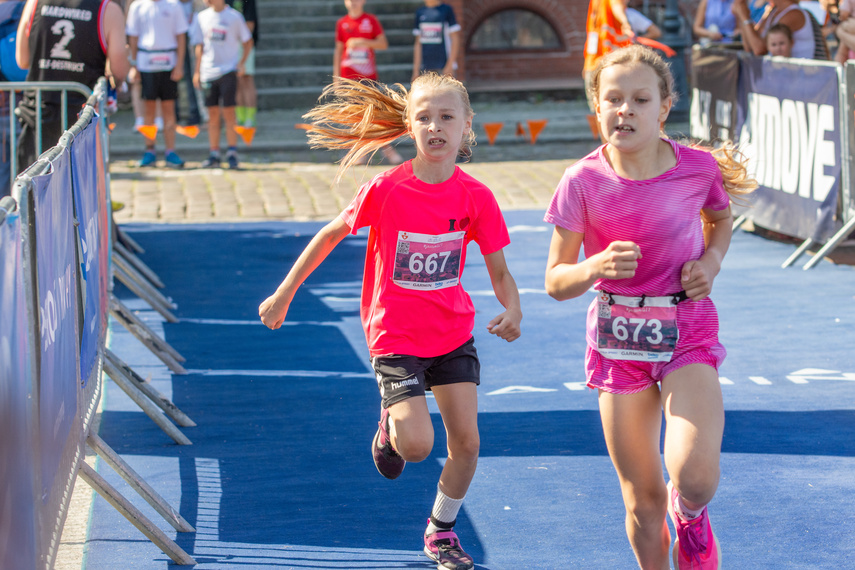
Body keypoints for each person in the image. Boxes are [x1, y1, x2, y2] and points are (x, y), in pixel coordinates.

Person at [258, 73, 522, 570]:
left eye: (447, 117)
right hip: (395, 336)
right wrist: (284, 293)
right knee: (418, 448)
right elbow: (330, 234)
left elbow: (500, 270)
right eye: (424, 117)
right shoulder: (387, 189)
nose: (435, 126)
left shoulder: (476, 198)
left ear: (467, 127)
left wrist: (513, 308)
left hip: (451, 334)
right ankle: (390, 422)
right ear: (408, 126)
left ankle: (440, 531)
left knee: (467, 443)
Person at [543, 45, 755, 569]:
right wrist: (594, 268)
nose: (626, 110)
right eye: (613, 99)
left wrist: (712, 262)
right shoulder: (581, 181)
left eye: (640, 99)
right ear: (597, 107)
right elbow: (555, 281)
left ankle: (691, 516)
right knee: (642, 501)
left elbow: (721, 220)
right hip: (618, 341)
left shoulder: (697, 169)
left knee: (695, 477)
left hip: (686, 326)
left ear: (664, 108)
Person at [15, 0, 128, 170]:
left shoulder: (34, 3)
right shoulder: (108, 10)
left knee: (33, 190)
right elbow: (119, 70)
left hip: (39, 114)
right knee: (77, 192)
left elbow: (22, 60)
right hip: (81, 121)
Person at [334, 0, 402, 164]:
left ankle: (387, 149)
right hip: (349, 77)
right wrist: (336, 78)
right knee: (357, 117)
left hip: (368, 76)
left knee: (374, 115)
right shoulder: (342, 23)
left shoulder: (370, 20)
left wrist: (362, 42)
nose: (353, 3)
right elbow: (338, 51)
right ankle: (362, 152)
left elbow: (383, 43)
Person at [126, 0, 189, 168]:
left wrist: (179, 64)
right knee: (149, 110)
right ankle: (150, 150)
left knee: (169, 109)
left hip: (168, 62)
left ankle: (170, 151)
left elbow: (181, 36)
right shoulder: (137, 6)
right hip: (146, 62)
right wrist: (134, 65)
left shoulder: (174, 5)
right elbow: (133, 37)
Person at [191, 0, 252, 169]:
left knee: (229, 113)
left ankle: (232, 152)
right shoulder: (201, 17)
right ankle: (214, 153)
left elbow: (248, 41)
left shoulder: (234, 17)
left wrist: (241, 63)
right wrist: (197, 71)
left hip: (228, 71)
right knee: (212, 116)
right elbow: (199, 47)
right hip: (208, 72)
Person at [733, 0, 829, 58]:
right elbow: (749, 46)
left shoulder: (794, 13)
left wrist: (744, 16)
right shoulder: (772, 12)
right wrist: (742, 15)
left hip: (803, 79)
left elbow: (759, 49)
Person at [583, 0, 633, 111]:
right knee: (600, 106)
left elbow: (617, 7)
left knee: (605, 106)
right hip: (599, 61)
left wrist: (624, 21)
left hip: (608, 62)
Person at [226, 0, 257, 129]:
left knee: (246, 79)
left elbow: (250, 24)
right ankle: (240, 117)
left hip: (244, 44)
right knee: (236, 82)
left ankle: (250, 118)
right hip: (229, 44)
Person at [411, 0, 460, 80]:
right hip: (426, 69)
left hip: (444, 67)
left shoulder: (447, 10)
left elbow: (455, 39)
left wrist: (450, 64)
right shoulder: (420, 12)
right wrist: (416, 70)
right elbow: (418, 43)